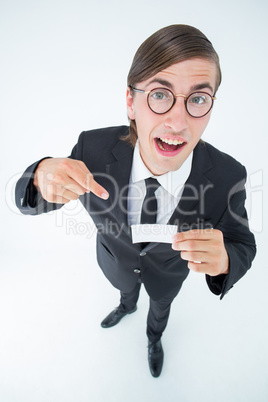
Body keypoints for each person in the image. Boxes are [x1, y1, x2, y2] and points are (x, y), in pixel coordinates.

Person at [15, 24, 256, 378]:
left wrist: (225, 261)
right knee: (127, 294)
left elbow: (242, 244)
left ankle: (153, 337)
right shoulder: (92, 150)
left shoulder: (227, 176)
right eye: (160, 94)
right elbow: (39, 198)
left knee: (159, 309)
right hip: (115, 264)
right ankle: (126, 306)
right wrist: (37, 176)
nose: (178, 121)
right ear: (131, 102)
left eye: (198, 99)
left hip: (167, 279)